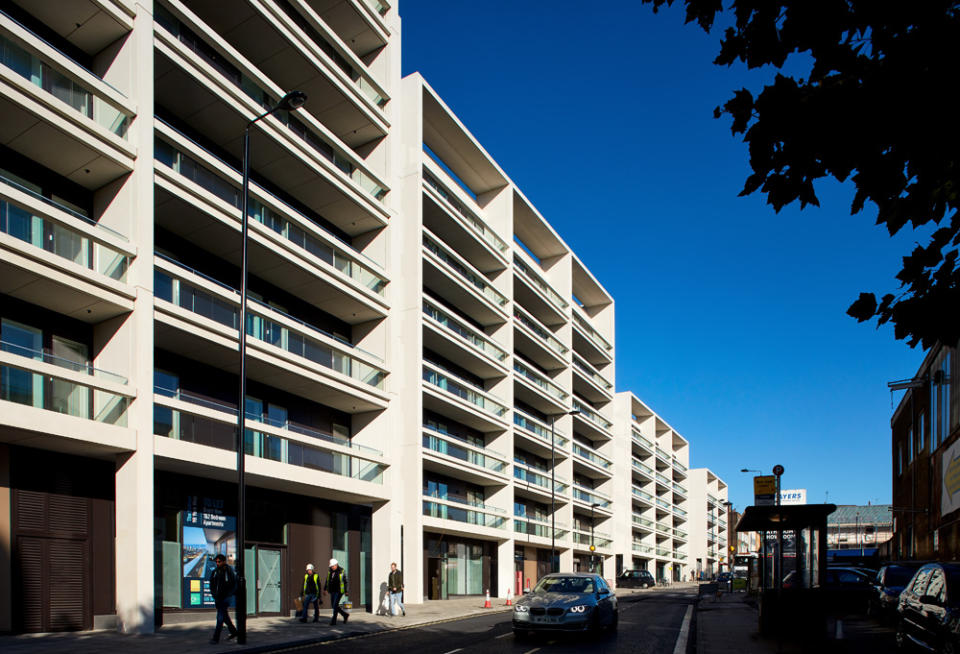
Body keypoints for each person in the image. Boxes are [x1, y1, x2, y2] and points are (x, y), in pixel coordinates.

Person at [209, 553, 237, 644]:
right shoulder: (215, 571)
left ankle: (215, 638)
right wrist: (214, 594)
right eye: (216, 562)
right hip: (218, 598)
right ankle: (234, 632)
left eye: (219, 561)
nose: (217, 563)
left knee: (220, 617)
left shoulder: (228, 570)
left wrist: (229, 594)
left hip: (225, 598)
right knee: (225, 617)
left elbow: (233, 584)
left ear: (224, 561)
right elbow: (212, 584)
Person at [324, 558, 349, 625]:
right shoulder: (330, 571)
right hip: (332, 590)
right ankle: (345, 615)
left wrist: (346, 591)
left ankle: (334, 620)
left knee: (335, 605)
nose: (332, 567)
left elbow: (346, 581)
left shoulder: (342, 571)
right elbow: (327, 581)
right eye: (331, 566)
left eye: (333, 566)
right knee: (334, 605)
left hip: (339, 591)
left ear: (336, 565)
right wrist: (325, 589)